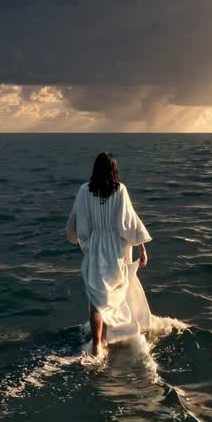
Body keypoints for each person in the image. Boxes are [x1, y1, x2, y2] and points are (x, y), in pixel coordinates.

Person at [66, 152, 153, 358]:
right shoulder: (120, 190)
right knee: (108, 295)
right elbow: (129, 222)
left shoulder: (84, 191)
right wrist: (142, 249)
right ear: (114, 170)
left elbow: (77, 221)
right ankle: (102, 340)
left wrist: (79, 238)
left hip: (95, 248)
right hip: (116, 251)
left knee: (96, 299)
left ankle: (97, 344)